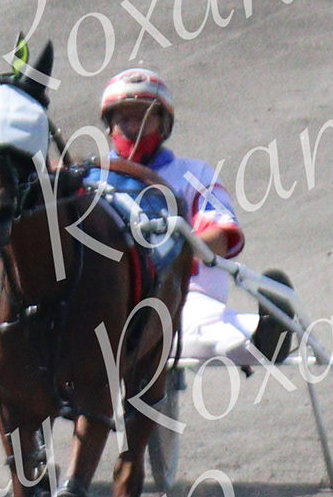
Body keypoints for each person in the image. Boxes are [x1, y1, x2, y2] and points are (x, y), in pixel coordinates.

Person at [94, 67, 265, 374]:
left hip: (183, 295)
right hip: (108, 297)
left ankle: (261, 337)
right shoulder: (90, 180)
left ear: (164, 124)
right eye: (125, 119)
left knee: (195, 328)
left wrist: (167, 248)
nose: (134, 127)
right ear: (110, 126)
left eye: (144, 118)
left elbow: (220, 240)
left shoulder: (193, 174)